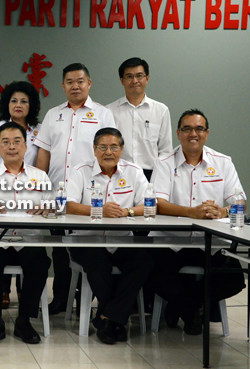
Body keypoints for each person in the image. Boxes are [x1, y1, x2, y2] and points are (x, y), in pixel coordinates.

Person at [148, 109, 246, 335]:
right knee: (152, 271)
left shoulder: (223, 162)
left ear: (207, 133)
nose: (194, 133)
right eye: (187, 129)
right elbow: (158, 203)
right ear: (178, 133)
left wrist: (222, 210)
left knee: (234, 278)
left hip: (210, 242)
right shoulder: (163, 162)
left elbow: (240, 202)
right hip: (171, 242)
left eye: (199, 129)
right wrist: (192, 213)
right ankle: (192, 311)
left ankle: (181, 306)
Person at [34, 63, 116, 315]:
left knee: (88, 247)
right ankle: (61, 298)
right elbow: (43, 154)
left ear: (89, 84)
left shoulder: (103, 114)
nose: (75, 86)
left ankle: (86, 299)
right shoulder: (53, 114)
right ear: (63, 86)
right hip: (58, 194)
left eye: (80, 81)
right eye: (69, 81)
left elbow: (110, 152)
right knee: (60, 249)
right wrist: (39, 191)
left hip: (89, 195)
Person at [66, 127, 154, 344]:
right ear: (94, 150)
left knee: (144, 261)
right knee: (98, 264)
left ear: (121, 149)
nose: (108, 152)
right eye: (103, 147)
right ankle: (116, 320)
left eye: (114, 147)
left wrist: (127, 211)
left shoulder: (134, 171)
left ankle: (106, 317)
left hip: (123, 238)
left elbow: (150, 206)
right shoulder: (80, 171)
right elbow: (67, 205)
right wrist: (98, 211)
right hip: (86, 239)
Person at [0, 122, 52, 346]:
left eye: (17, 142)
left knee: (39, 263)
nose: (12, 147)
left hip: (29, 240)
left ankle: (24, 321)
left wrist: (47, 209)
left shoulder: (40, 177)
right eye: (5, 143)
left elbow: (54, 206)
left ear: (26, 146)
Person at [0, 81, 42, 308]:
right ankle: (2, 294)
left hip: (29, 186)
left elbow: (40, 161)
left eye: (24, 101)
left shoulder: (38, 130)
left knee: (28, 246)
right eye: (14, 100)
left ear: (32, 105)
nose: (18, 105)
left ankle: (24, 303)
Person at [106, 57, 172, 181]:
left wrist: (161, 177)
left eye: (139, 76)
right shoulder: (109, 111)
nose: (135, 81)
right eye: (129, 76)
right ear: (122, 81)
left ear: (147, 78)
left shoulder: (161, 110)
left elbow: (165, 150)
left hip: (151, 175)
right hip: (118, 174)